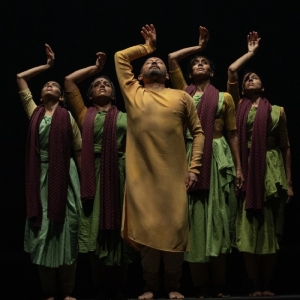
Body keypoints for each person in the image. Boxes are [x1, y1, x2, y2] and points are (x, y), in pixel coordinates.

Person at [114, 24, 205, 300]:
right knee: (147, 235)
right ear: (139, 75)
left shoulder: (181, 96)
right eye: (148, 62)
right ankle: (151, 285)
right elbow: (120, 57)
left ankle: (174, 285)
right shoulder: (133, 93)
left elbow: (198, 133)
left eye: (158, 62)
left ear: (167, 74)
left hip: (174, 177)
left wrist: (194, 168)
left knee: (175, 231)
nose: (153, 61)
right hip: (142, 178)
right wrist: (147, 47)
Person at [168, 26, 244, 298]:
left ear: (212, 73)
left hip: (217, 157)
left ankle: (219, 286)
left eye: (204, 63)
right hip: (188, 155)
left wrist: (238, 168)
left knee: (217, 219)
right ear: (189, 74)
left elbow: (234, 134)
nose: (200, 65)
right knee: (194, 221)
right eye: (196, 64)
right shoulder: (183, 93)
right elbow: (172, 59)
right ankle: (199, 287)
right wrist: (199, 48)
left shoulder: (224, 98)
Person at [227, 32, 293, 297]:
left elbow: (286, 146)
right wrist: (251, 53)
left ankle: (268, 284)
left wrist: (289, 182)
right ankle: (254, 285)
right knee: (247, 231)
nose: (249, 78)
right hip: (246, 170)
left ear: (263, 87)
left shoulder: (278, 111)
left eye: (254, 77)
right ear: (242, 89)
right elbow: (232, 70)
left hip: (271, 170)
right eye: (247, 79)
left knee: (270, 230)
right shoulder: (236, 105)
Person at [64, 53, 133, 300]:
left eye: (106, 84)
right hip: (92, 174)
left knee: (119, 231)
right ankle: (100, 289)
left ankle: (119, 289)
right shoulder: (84, 115)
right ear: (89, 95)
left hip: (121, 172)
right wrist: (95, 69)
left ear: (114, 95)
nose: (102, 85)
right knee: (94, 229)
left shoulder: (127, 116)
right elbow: (69, 81)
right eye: (96, 85)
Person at [17, 44, 82, 300]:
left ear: (62, 96)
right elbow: (20, 78)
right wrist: (47, 67)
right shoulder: (34, 113)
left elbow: (77, 151)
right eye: (46, 85)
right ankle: (49, 293)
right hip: (40, 177)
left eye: (54, 85)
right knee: (42, 232)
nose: (49, 86)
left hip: (66, 176)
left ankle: (67, 291)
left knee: (68, 231)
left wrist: (84, 182)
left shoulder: (67, 117)